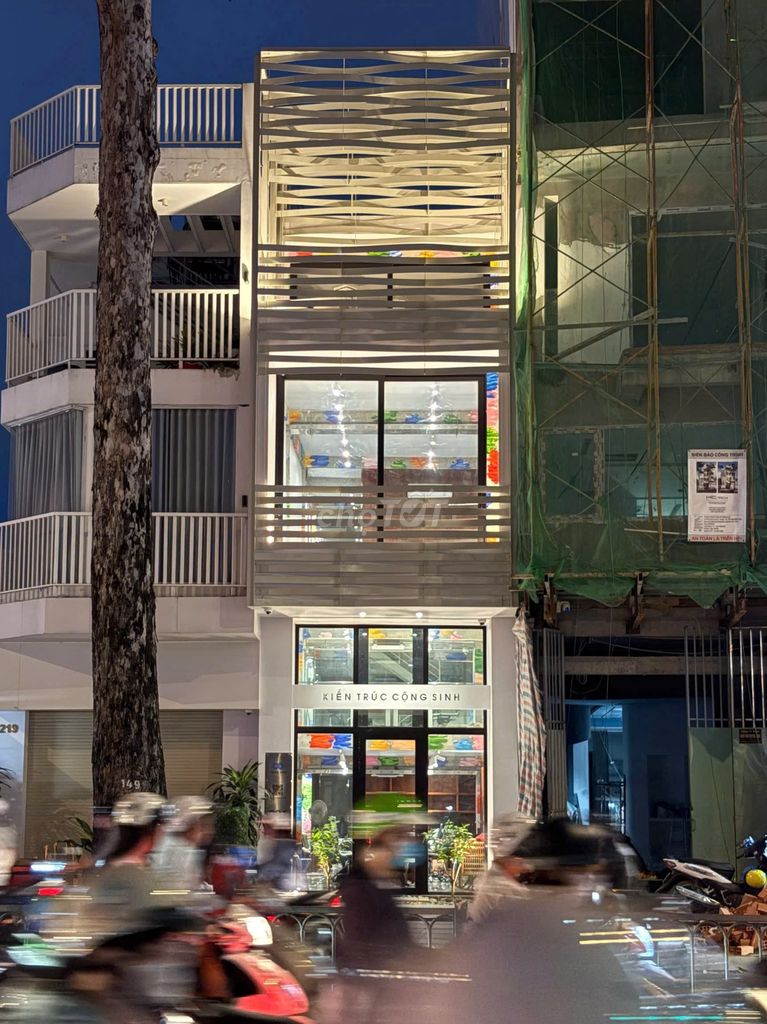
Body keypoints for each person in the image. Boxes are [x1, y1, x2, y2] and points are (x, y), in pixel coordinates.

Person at [445, 818, 641, 1024]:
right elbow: (624, 1000)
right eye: (588, 871)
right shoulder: (544, 923)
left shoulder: (524, 917)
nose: (592, 882)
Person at [153, 794, 215, 891]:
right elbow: (183, 888)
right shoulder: (179, 850)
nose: (208, 831)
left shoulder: (185, 847)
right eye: (202, 825)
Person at [257, 812, 300, 891]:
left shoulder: (284, 845)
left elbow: (278, 866)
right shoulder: (273, 843)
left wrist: (261, 874)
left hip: (282, 885)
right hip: (278, 884)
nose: (264, 832)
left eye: (266, 828)